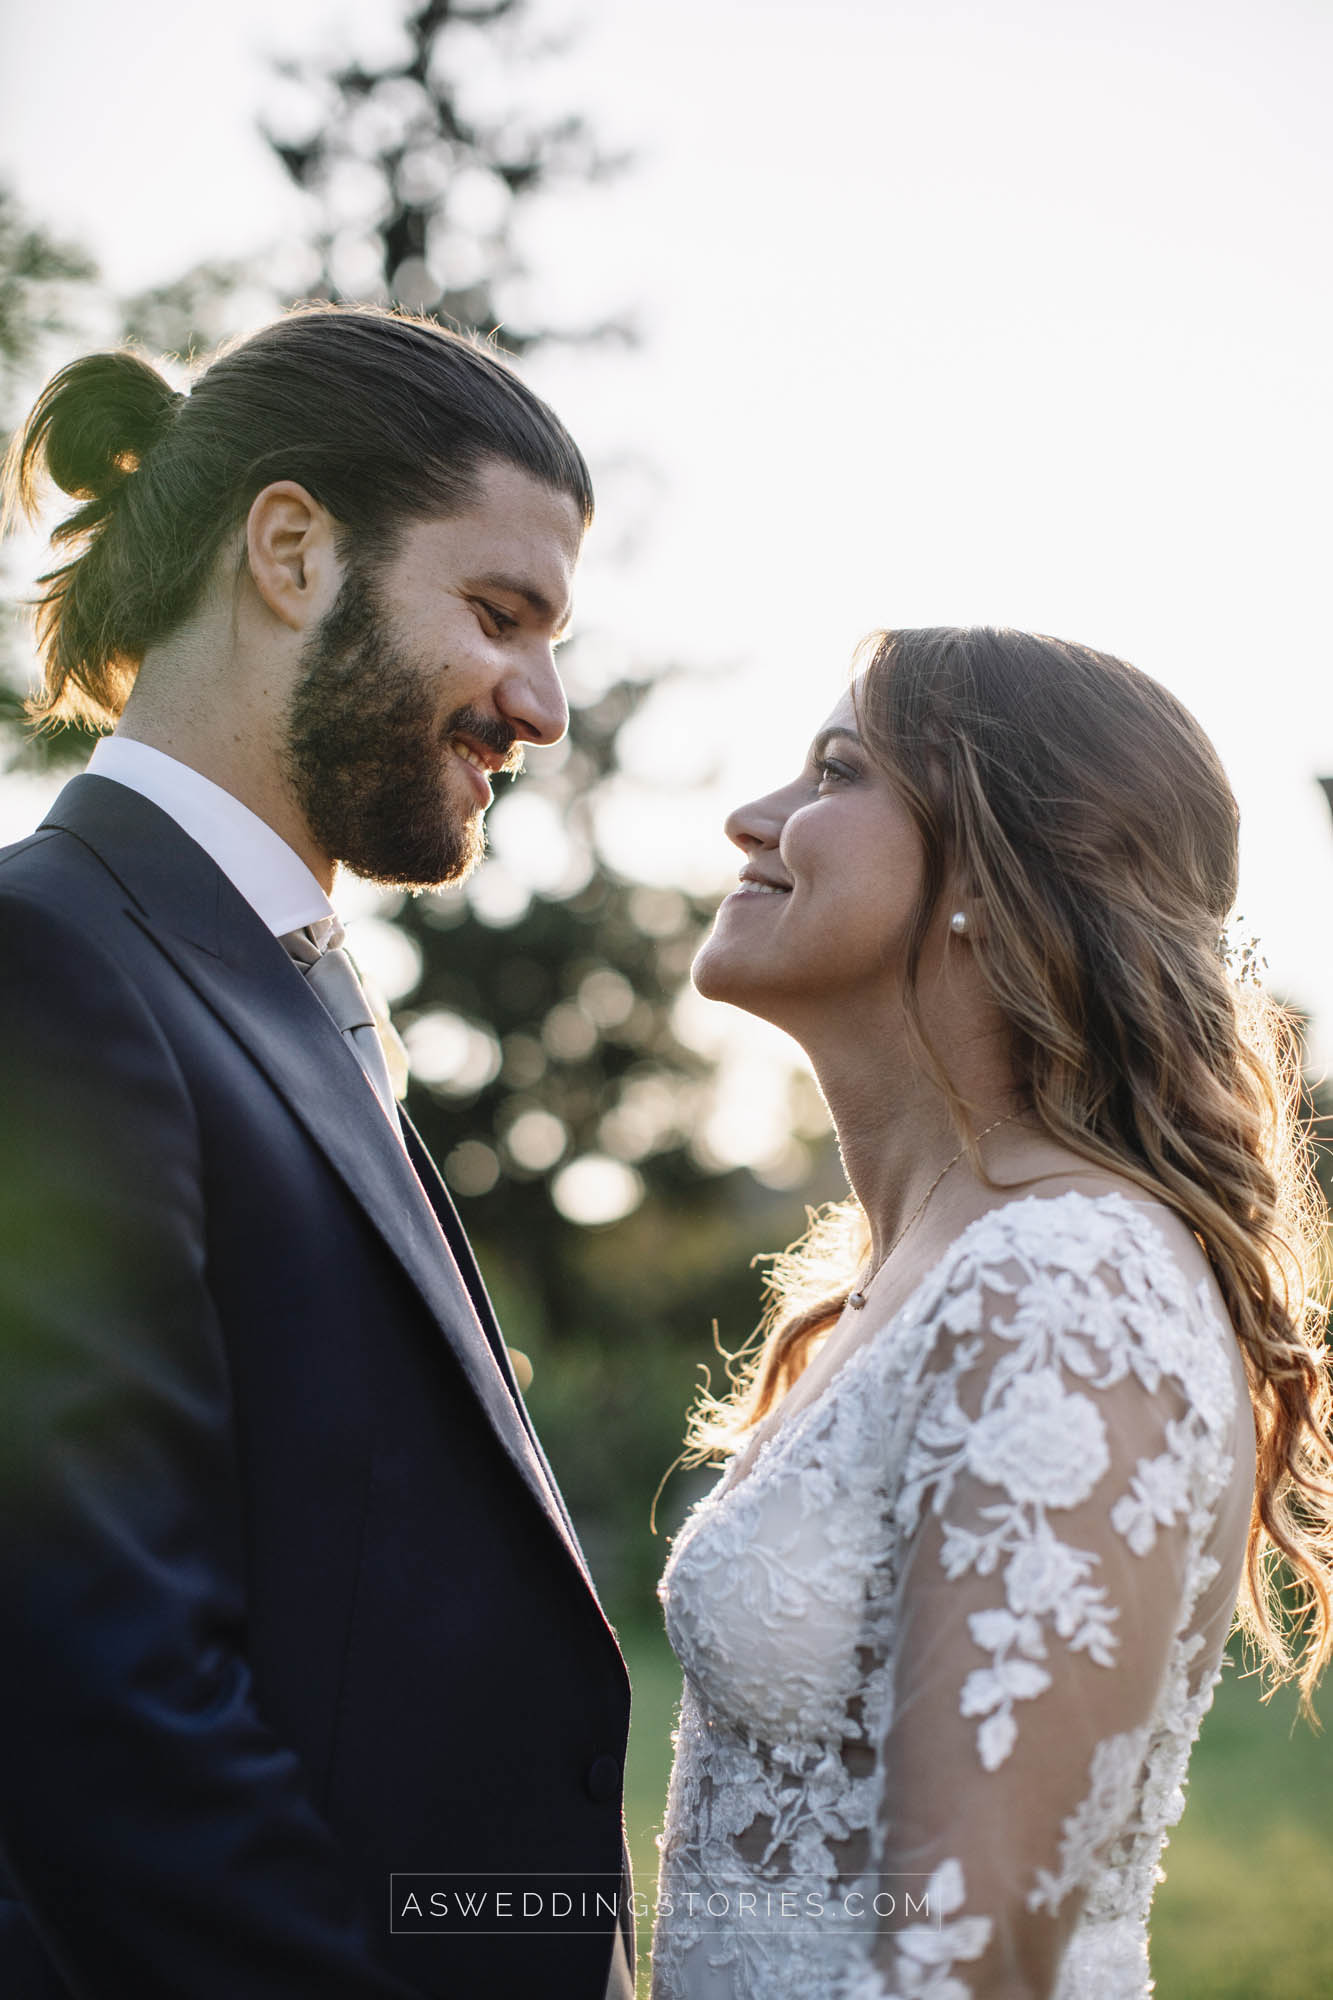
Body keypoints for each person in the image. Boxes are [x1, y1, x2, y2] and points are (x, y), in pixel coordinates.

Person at [0, 307, 634, 2000]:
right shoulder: (47, 963)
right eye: (497, 614)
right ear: (290, 550)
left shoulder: (267, 973)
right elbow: (98, 1679)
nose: (540, 706)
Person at [650, 626, 1333, 2000]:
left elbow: (967, 1959)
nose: (753, 819)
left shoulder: (1068, 1284)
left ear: (993, 873)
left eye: (837, 770)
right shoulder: (907, 1271)